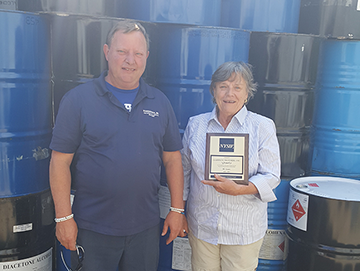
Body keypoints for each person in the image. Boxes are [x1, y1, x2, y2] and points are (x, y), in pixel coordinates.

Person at [49, 20, 187, 271]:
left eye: (137, 53)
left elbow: (172, 159)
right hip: (92, 229)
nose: (130, 60)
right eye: (122, 51)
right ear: (106, 52)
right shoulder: (78, 101)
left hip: (144, 230)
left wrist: (177, 209)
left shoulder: (160, 102)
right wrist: (63, 217)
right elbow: (60, 161)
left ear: (146, 56)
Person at [181, 61, 281, 271]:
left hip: (243, 230)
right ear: (214, 91)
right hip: (203, 226)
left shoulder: (262, 126)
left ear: (247, 94)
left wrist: (240, 189)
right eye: (223, 86)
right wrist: (179, 212)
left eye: (237, 87)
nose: (230, 93)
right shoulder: (195, 125)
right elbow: (183, 172)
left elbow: (272, 175)